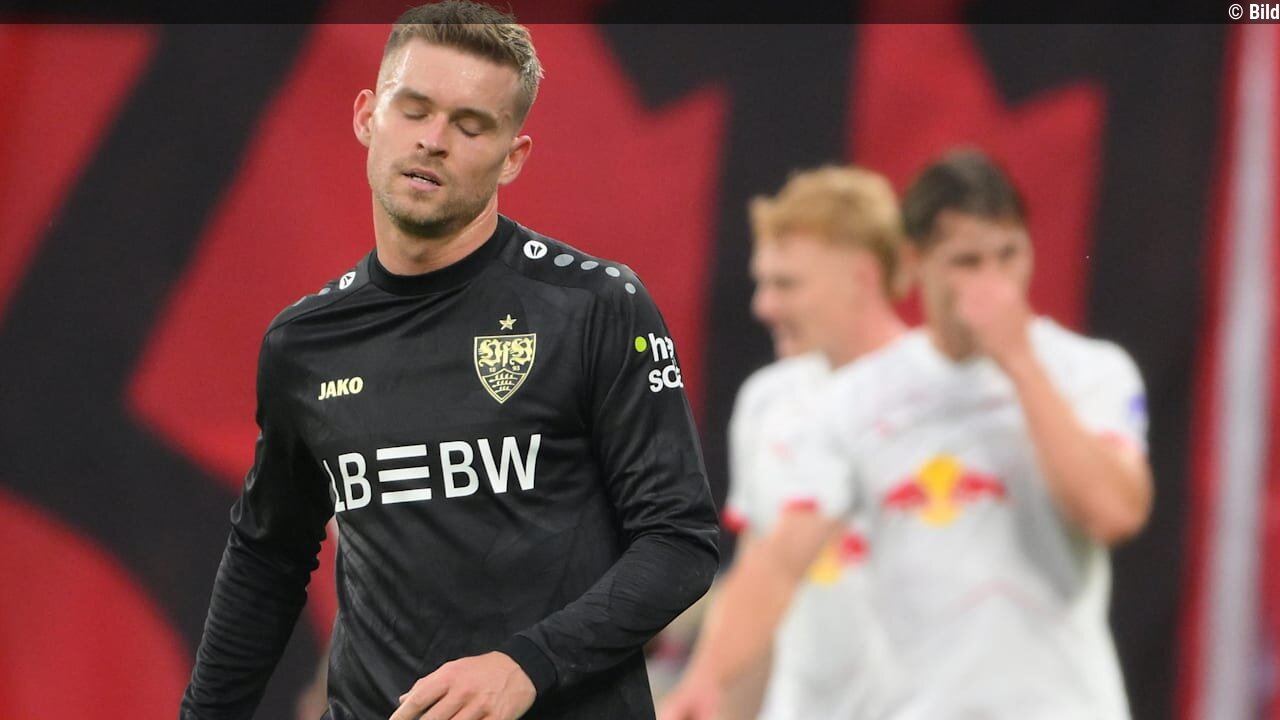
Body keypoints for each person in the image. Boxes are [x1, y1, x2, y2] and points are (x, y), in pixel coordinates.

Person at [179, 4, 719, 719]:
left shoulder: (593, 306)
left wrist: (527, 666)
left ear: (512, 157)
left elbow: (680, 543)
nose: (433, 141)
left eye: (470, 126)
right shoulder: (304, 342)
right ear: (368, 115)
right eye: (415, 110)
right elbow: (267, 559)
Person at [660, 148, 1153, 720]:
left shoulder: (1090, 371)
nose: (993, 283)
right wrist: (705, 681)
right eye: (967, 262)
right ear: (916, 261)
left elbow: (1114, 513)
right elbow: (777, 562)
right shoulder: (857, 399)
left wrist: (1018, 361)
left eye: (1008, 255)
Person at [662, 165, 909, 720]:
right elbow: (761, 582)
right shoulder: (769, 400)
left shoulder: (946, 396)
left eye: (787, 284)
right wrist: (709, 698)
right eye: (763, 283)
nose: (764, 306)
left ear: (862, 277)